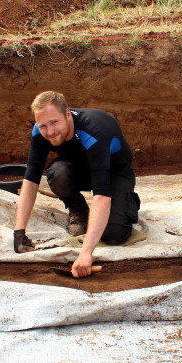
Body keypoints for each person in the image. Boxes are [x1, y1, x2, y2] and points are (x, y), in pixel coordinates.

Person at [12, 91, 140, 278]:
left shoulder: (94, 130)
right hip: (82, 167)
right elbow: (30, 180)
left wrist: (86, 253)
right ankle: (78, 209)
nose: (50, 132)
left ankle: (126, 201)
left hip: (114, 172)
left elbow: (101, 196)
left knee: (114, 234)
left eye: (54, 122)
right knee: (58, 173)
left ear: (67, 114)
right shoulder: (39, 131)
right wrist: (19, 232)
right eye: (43, 125)